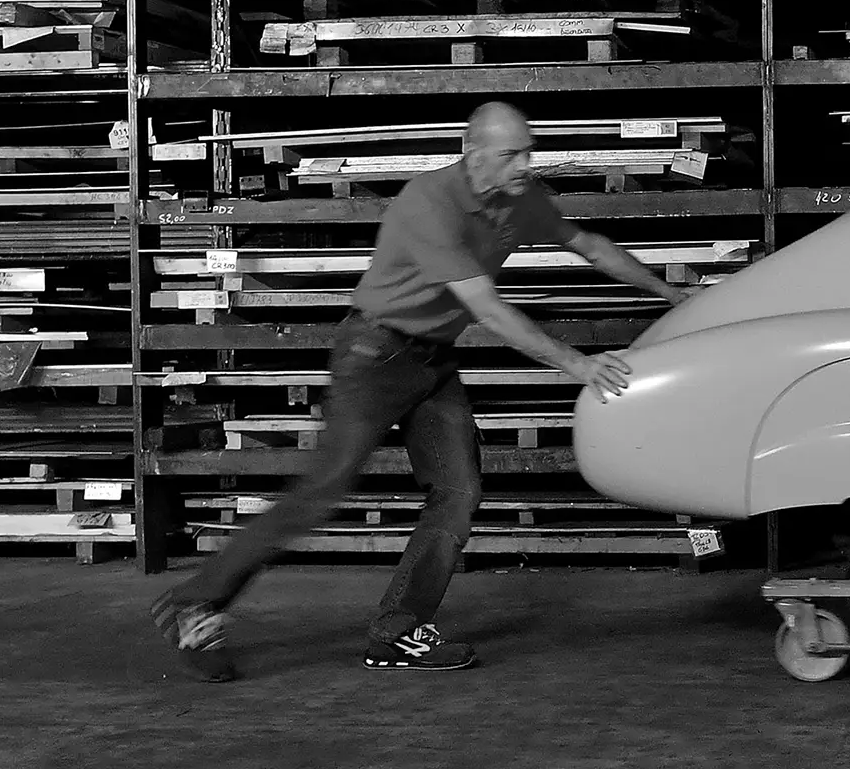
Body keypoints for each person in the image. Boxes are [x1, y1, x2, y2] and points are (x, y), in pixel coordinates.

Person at [147, 101, 687, 682]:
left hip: (433, 362)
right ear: (473, 152)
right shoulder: (430, 204)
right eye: (511, 154)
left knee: (458, 492)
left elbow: (591, 245)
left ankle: (398, 631)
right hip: (374, 355)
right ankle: (196, 602)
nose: (526, 164)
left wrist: (669, 293)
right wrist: (577, 365)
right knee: (325, 488)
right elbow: (488, 310)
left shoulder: (519, 196)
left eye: (529, 151)